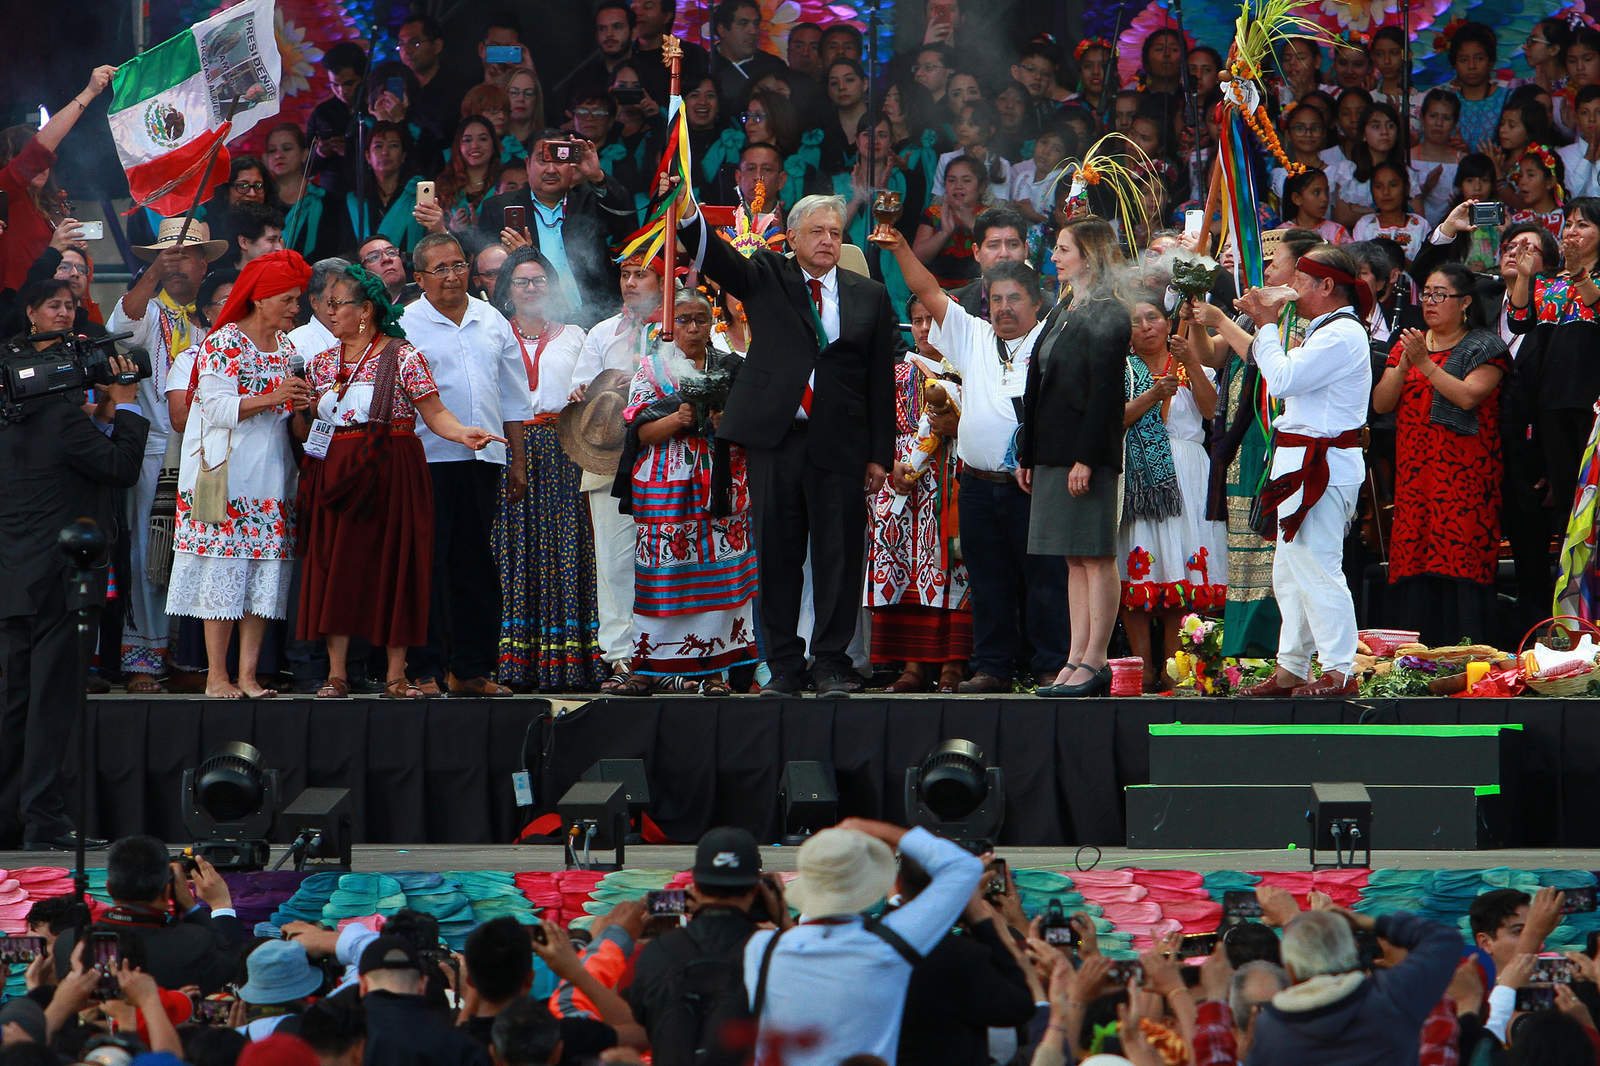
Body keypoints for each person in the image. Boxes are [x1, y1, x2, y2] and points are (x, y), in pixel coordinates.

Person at [675, 185, 898, 697]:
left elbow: (880, 380)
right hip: (776, 440)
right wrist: (686, 212)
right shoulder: (767, 275)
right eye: (817, 232)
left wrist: (879, 454)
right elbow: (718, 256)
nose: (826, 241)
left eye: (835, 233)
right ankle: (782, 667)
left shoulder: (870, 295)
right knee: (776, 555)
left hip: (841, 444)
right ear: (792, 237)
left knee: (840, 557)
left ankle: (831, 663)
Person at [296, 263, 502, 700]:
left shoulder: (403, 355)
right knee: (337, 569)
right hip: (338, 471)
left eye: (338, 304)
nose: (330, 313)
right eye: (326, 305)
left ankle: (396, 675)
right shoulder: (319, 363)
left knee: (396, 568)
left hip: (391, 467)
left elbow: (435, 413)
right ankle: (337, 674)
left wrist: (465, 432)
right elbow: (309, 428)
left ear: (365, 310)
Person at [886, 234, 1066, 694]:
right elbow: (927, 292)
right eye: (997, 299)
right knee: (987, 580)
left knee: (1045, 578)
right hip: (979, 486)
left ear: (1036, 301)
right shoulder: (973, 335)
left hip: (1034, 483)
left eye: (1014, 299)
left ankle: (1050, 665)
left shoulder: (1052, 339)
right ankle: (992, 668)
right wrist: (903, 249)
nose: (1004, 308)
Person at [0, 288, 146, 851]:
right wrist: (127, 401)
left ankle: (10, 816)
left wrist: (98, 409)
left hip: (14, 579)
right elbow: (120, 466)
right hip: (59, 581)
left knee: (15, 702)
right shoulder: (62, 420)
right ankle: (46, 821)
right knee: (52, 704)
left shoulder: (16, 413)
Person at [165, 250, 313, 700]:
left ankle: (248, 675)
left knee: (260, 577)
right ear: (261, 299)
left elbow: (288, 412)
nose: (295, 308)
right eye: (287, 300)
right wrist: (274, 396)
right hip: (224, 476)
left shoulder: (287, 348)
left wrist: (305, 405)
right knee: (223, 574)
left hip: (270, 474)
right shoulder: (224, 341)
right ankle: (216, 676)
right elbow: (216, 407)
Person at [1236, 246, 1372, 699]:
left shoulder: (1342, 334)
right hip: (1300, 461)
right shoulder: (1325, 331)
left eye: (1300, 280)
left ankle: (1339, 669)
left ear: (1326, 286)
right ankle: (1292, 666)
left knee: (1318, 566)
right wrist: (1269, 324)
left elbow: (1283, 381)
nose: (1291, 289)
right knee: (1290, 570)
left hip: (1323, 465)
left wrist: (1266, 324)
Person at [401, 234, 534, 697]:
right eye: (440, 269)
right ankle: (425, 669)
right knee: (428, 564)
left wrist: (517, 459)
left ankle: (471, 669)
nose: (453, 276)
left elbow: (514, 398)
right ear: (418, 278)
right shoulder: (405, 324)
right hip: (425, 460)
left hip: (484, 459)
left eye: (458, 265)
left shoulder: (491, 319)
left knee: (476, 564)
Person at [609, 288, 759, 695]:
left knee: (721, 576)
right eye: (685, 320)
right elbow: (640, 432)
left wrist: (723, 419)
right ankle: (649, 668)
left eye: (701, 319)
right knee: (663, 577)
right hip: (665, 488)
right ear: (669, 324)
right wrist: (678, 418)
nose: (693, 328)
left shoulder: (733, 367)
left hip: (721, 486)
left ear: (713, 323)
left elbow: (753, 430)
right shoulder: (651, 369)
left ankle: (714, 672)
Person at [742, 818, 982, 1066]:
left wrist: (781, 915)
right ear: (869, 884)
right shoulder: (889, 946)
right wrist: (871, 828)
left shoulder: (761, 949)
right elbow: (964, 867)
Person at [105, 218, 228, 694]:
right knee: (147, 559)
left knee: (197, 559)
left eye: (185, 257)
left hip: (207, 456)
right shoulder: (153, 310)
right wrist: (153, 272)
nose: (178, 265)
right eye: (168, 256)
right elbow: (121, 329)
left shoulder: (210, 323)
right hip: (157, 452)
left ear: (204, 266)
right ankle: (142, 660)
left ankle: (185, 657)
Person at [1018, 216, 1130, 698]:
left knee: (1095, 555)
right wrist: (1029, 451)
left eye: (1064, 249)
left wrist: (1087, 456)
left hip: (1086, 454)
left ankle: (1096, 660)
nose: (1055, 256)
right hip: (1053, 451)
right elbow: (1038, 385)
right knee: (1073, 558)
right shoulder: (1065, 308)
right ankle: (1074, 655)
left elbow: (1105, 393)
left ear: (1089, 255)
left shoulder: (1110, 311)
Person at [1372, 263, 1509, 645]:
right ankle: (1413, 656)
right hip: (1416, 474)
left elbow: (1467, 396)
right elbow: (1382, 404)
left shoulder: (1485, 346)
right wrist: (1402, 366)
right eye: (1426, 294)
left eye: (1439, 295)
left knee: (1459, 555)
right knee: (1414, 557)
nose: (1429, 303)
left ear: (1464, 302)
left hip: (1465, 474)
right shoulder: (1408, 344)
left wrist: (1425, 365)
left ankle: (1467, 653)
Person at [489, 248, 603, 691]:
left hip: (564, 450)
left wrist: (584, 393)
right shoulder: (494, 332)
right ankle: (513, 663)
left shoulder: (576, 335)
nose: (532, 288)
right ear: (507, 290)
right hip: (509, 448)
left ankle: (570, 664)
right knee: (514, 547)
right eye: (522, 282)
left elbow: (593, 386)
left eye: (539, 281)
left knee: (564, 548)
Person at [864, 295, 972, 694]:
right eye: (918, 320)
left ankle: (952, 666)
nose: (926, 328)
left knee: (950, 568)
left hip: (952, 484)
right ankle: (911, 666)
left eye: (933, 319)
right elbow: (877, 426)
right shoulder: (895, 374)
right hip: (901, 486)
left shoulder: (970, 372)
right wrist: (892, 467)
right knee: (906, 570)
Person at [1120, 291, 1227, 692]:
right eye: (1136, 320)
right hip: (1141, 477)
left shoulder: (1190, 361)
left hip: (1189, 472)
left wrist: (1191, 363)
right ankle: (1141, 667)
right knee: (1139, 569)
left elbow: (1212, 411)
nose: (1146, 325)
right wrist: (1152, 394)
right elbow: (1116, 420)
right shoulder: (1123, 370)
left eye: (1153, 317)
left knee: (1179, 571)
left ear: (1168, 324)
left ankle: (1171, 668)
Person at [567, 253, 664, 692]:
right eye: (625, 274)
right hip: (608, 458)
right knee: (614, 563)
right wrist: (587, 388)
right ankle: (622, 658)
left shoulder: (689, 323)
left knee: (669, 557)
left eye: (640, 274)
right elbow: (580, 387)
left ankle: (670, 653)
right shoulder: (603, 332)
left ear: (664, 279)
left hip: (667, 457)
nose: (629, 282)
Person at [627, 827, 785, 1066]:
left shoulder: (658, 951)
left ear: (696, 886)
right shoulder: (775, 953)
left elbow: (639, 1021)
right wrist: (783, 919)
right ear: (756, 890)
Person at [1246, 908, 1460, 1065]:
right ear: (1353, 952)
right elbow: (1443, 938)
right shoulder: (1391, 994)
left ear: (1289, 970)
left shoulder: (1270, 1027)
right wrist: (1370, 923)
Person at [478, 131, 638, 327]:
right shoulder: (498, 209)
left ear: (572, 166)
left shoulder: (591, 199)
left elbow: (629, 231)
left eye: (559, 161)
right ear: (528, 164)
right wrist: (523, 257)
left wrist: (597, 177)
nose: (551, 169)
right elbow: (488, 274)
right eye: (542, 161)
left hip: (598, 319)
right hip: (531, 323)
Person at [1509, 199, 1600, 542]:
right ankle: (1568, 587)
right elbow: (1518, 321)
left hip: (1593, 402)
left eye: (1584, 225)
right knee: (1565, 495)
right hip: (1551, 401)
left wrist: (1579, 273)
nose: (1573, 232)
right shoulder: (1547, 282)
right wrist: (1524, 276)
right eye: (1570, 224)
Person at [893, 856, 1038, 1066]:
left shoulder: (870, 945)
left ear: (897, 884)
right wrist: (984, 923)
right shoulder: (964, 956)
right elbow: (1019, 1006)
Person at [70, 837, 245, 993]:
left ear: (108, 888)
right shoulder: (191, 945)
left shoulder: (73, 944)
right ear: (167, 891)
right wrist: (217, 905)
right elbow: (229, 963)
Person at [0, 64, 116, 291]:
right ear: (8, 161)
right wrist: (90, 91)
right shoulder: (5, 192)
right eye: (31, 161)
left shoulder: (50, 206)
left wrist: (72, 253)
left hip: (56, 309)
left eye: (46, 163)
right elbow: (40, 150)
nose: (42, 166)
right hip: (17, 316)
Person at [358, 936, 491, 1066]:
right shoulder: (463, 1047)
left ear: (362, 985)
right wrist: (471, 994)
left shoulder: (347, 1040)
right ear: (423, 985)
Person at [709, 0, 788, 116]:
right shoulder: (705, 65)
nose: (753, 31)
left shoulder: (774, 66)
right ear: (722, 30)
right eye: (743, 23)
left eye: (756, 24)